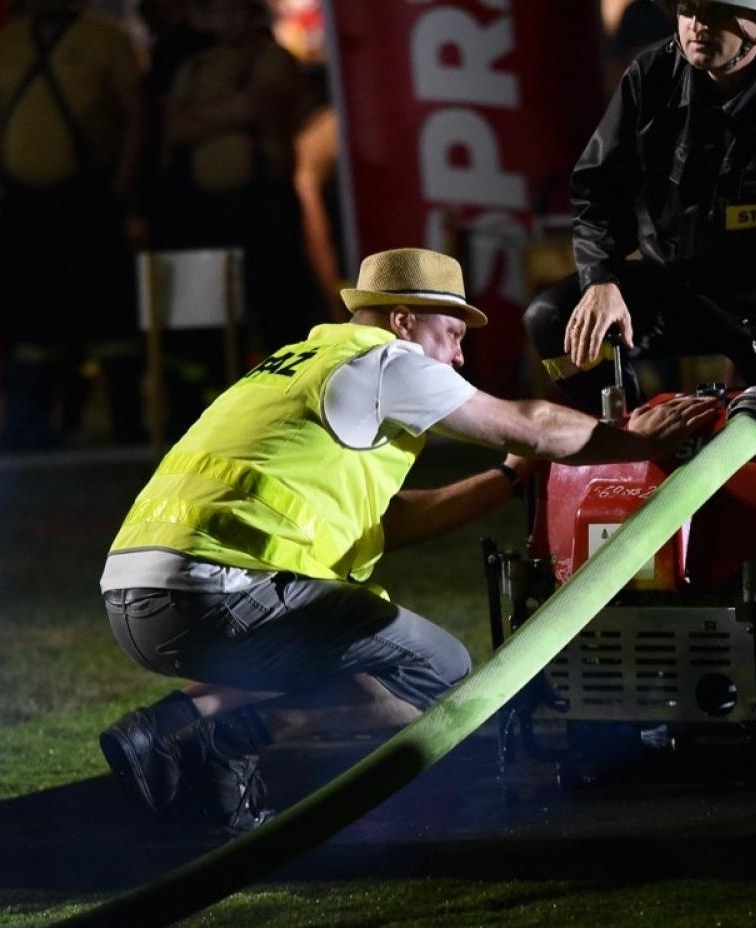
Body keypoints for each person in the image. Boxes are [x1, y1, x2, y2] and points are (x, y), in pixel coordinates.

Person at [97, 248, 720, 833]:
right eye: (452, 337)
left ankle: (189, 741)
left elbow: (386, 525)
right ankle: (215, 735)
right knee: (440, 673)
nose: (458, 359)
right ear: (403, 321)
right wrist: (639, 440)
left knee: (365, 672)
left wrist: (504, 479)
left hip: (139, 601)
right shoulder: (386, 363)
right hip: (221, 596)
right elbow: (532, 424)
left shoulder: (296, 364)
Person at [523, 0, 756, 410]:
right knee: (549, 319)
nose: (696, 25)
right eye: (687, 9)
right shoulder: (649, 77)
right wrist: (601, 279)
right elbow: (598, 190)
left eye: (715, 11)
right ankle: (631, 441)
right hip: (677, 290)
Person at [0, 0, 146, 449]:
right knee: (25, 317)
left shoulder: (107, 39)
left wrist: (121, 191)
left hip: (89, 196)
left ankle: (125, 421)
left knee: (107, 314)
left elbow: (136, 116)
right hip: (23, 205)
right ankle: (28, 426)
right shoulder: (6, 43)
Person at [156, 0, 319, 355]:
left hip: (264, 204)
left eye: (234, 11)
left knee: (279, 308)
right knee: (217, 318)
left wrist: (198, 116)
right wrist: (231, 113)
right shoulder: (196, 67)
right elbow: (172, 128)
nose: (225, 20)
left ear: (252, 15)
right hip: (211, 210)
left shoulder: (272, 58)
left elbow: (257, 106)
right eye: (217, 12)